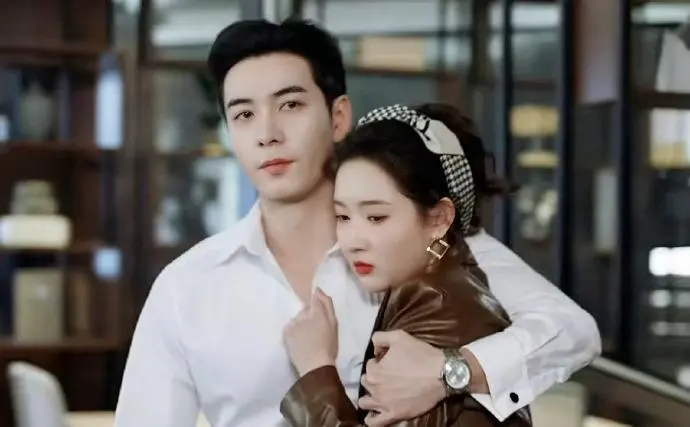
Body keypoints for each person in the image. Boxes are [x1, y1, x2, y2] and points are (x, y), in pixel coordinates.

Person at [114, 18, 601, 427]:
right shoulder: (186, 286)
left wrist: (452, 371)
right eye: (243, 115)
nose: (267, 133)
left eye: (290, 105)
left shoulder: (420, 242)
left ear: (339, 116)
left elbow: (572, 332)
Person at [280, 102, 533, 427]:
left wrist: (316, 366)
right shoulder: (442, 289)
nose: (352, 240)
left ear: (439, 219)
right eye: (342, 216)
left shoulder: (437, 311)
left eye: (376, 217)